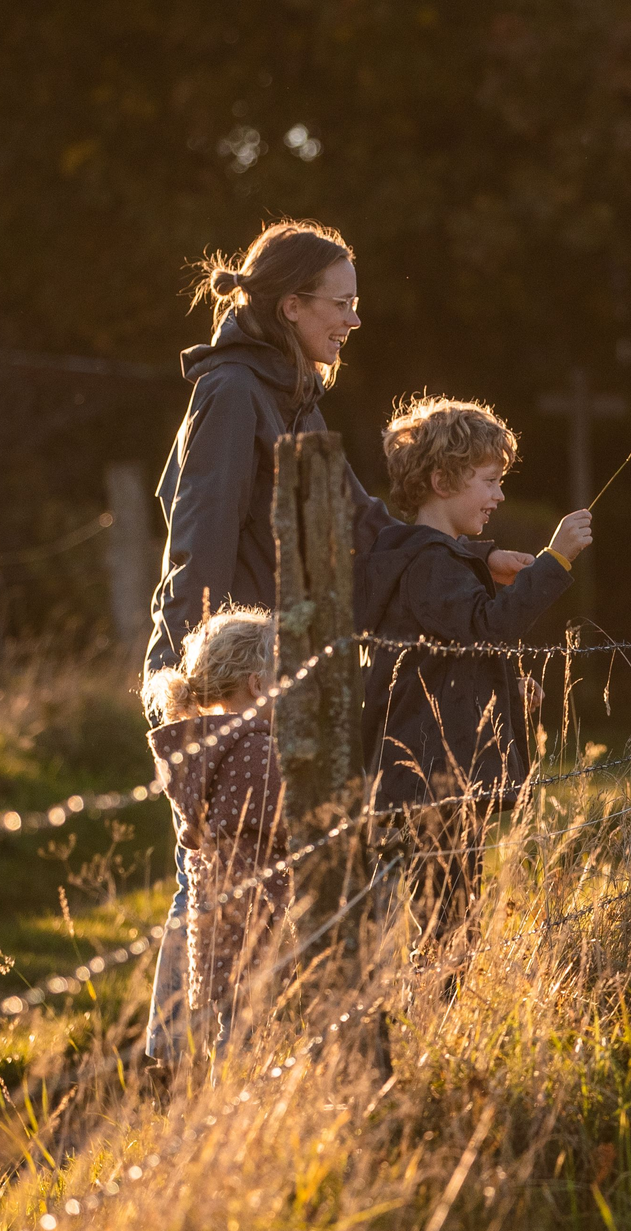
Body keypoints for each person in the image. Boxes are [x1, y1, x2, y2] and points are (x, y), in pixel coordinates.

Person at [141, 220, 533, 1065]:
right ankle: (175, 1057)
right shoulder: (234, 394)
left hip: (283, 669)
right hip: (232, 670)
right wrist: (192, 678)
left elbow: (360, 531)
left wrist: (473, 555)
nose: (355, 320)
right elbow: (196, 541)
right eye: (342, 304)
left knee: (270, 861)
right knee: (217, 863)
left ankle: (240, 1050)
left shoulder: (292, 393)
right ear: (291, 305)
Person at [356, 396, 592, 942]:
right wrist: (555, 561)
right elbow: (487, 626)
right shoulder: (429, 564)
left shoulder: (432, 558)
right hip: (431, 781)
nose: (499, 495)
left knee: (449, 911)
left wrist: (504, 682)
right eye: (488, 481)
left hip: (436, 777)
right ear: (442, 480)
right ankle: (433, 1007)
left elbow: (456, 651)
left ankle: (439, 1005)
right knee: (443, 919)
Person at [142, 607, 289, 1065]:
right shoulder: (258, 752)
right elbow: (294, 829)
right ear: (258, 684)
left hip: (217, 926)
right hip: (259, 925)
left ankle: (218, 1109)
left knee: (234, 1029)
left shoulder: (205, 749)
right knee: (251, 1037)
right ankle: (237, 1119)